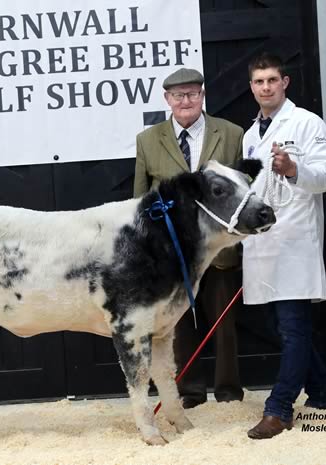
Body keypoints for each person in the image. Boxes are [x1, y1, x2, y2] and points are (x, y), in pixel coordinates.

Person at [134, 67, 245, 409]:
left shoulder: (231, 133)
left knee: (224, 322)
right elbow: (140, 198)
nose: (186, 101)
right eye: (178, 95)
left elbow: (244, 191)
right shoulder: (148, 140)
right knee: (177, 325)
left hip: (220, 248)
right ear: (167, 99)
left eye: (193, 94)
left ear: (202, 96)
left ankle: (229, 393)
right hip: (173, 254)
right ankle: (190, 391)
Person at [242, 52, 326, 440]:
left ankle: (279, 408)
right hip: (263, 244)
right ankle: (321, 395)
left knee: (293, 326)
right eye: (258, 81)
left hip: (295, 240)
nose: (266, 87)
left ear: (285, 83)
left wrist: (294, 170)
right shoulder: (251, 135)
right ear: (251, 87)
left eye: (272, 80)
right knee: (278, 325)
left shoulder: (307, 123)